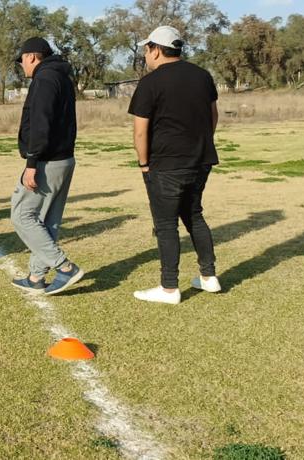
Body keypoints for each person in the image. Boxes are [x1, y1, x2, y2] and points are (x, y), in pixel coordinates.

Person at [129, 26, 221, 305]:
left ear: (156, 49)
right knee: (194, 215)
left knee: (166, 224)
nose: (146, 54)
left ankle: (169, 288)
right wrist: (199, 145)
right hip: (200, 160)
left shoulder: (150, 82)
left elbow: (140, 131)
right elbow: (213, 116)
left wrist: (144, 164)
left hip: (166, 164)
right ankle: (209, 277)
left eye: (147, 49)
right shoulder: (203, 76)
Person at [10, 37, 83, 296]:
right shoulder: (62, 76)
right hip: (64, 158)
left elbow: (41, 123)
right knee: (47, 221)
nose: (22, 67)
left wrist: (32, 162)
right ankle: (36, 276)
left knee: (21, 216)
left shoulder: (44, 79)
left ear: (31, 57)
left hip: (47, 161)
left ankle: (65, 268)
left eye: (21, 61)